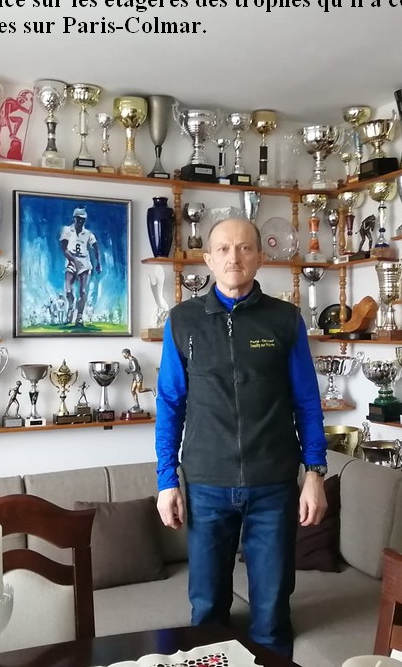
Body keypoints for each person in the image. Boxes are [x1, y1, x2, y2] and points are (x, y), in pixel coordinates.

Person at [154, 217, 327, 659]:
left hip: (273, 485)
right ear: (209, 259)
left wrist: (315, 473)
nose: (235, 257)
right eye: (224, 249)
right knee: (207, 610)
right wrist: (167, 480)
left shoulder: (285, 320)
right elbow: (170, 403)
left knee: (272, 614)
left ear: (260, 257)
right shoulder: (183, 321)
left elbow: (307, 401)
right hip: (207, 485)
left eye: (245, 248)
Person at [59, 207, 101, 326]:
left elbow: (96, 248)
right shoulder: (67, 230)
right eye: (78, 218)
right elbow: (64, 248)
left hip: (84, 262)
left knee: (82, 291)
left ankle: (80, 316)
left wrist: (98, 262)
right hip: (71, 259)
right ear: (74, 218)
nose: (80, 221)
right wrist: (73, 260)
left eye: (83, 219)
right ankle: (71, 307)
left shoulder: (88, 234)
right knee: (68, 288)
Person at [122, 347, 154, 412]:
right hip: (135, 377)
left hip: (138, 377)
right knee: (132, 391)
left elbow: (135, 369)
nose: (123, 356)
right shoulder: (131, 360)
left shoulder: (133, 360)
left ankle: (151, 389)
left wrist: (128, 370)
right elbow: (139, 368)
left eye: (124, 354)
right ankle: (137, 405)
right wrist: (130, 371)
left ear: (127, 354)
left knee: (140, 390)